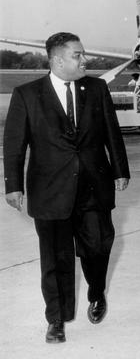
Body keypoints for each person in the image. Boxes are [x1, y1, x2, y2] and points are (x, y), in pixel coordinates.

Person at [3, 32, 130, 343]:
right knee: (56, 259)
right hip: (50, 191)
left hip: (93, 186)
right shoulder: (27, 94)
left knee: (98, 246)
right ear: (57, 60)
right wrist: (13, 185)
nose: (84, 59)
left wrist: (120, 170)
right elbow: (14, 145)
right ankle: (56, 319)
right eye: (77, 55)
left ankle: (97, 292)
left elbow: (111, 132)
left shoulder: (97, 88)